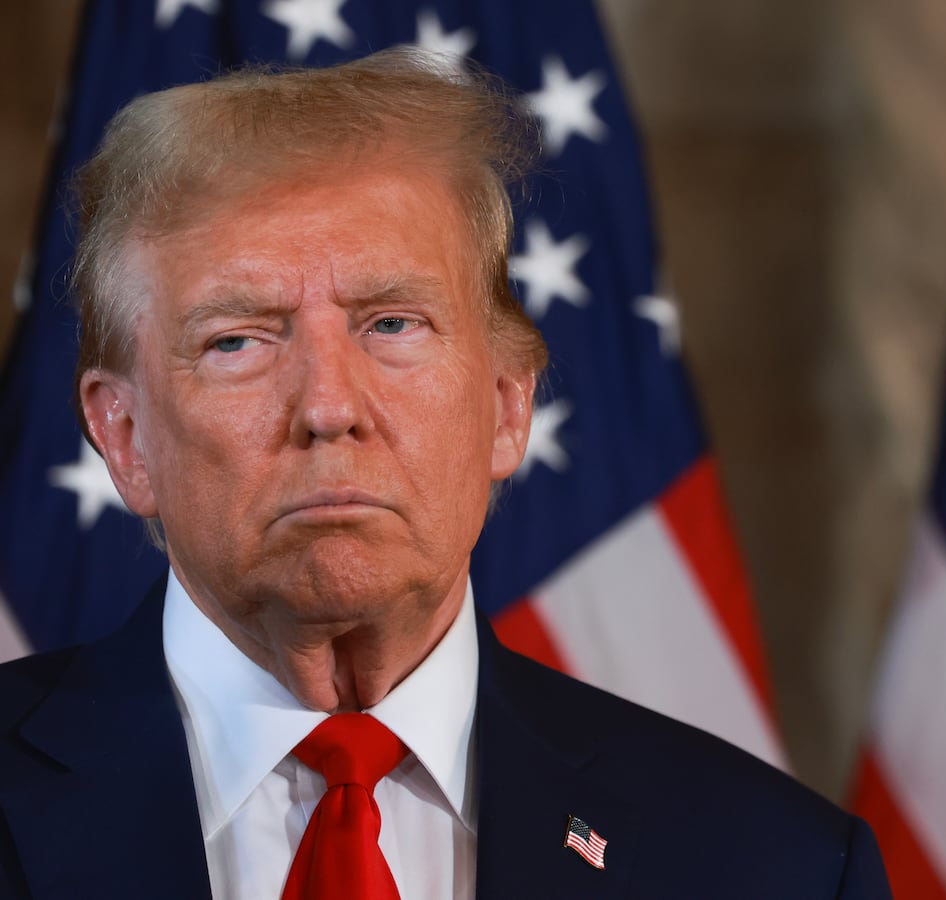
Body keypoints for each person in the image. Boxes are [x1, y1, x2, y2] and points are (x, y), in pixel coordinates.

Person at [0, 48, 890, 899]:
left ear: (507, 406)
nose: (328, 407)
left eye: (393, 324)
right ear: (121, 436)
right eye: (237, 341)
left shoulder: (771, 869)